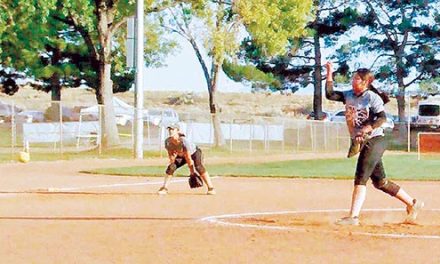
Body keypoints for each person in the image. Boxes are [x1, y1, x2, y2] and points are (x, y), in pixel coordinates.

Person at [325, 62, 423, 225]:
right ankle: (413, 204)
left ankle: (353, 217)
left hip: (377, 138)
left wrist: (366, 129)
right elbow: (330, 94)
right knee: (380, 182)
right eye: (353, 77)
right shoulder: (349, 95)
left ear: (365, 82)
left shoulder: (371, 97)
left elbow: (382, 117)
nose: (353, 80)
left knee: (361, 176)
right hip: (365, 140)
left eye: (356, 78)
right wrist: (329, 72)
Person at [157, 123, 216, 195]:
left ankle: (211, 188)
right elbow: (171, 154)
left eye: (173, 129)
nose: (170, 131)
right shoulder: (167, 142)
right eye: (169, 129)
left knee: (198, 167)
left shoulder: (184, 141)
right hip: (181, 155)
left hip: (194, 153)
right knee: (171, 167)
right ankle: (164, 188)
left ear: (177, 131)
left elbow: (188, 158)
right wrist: (172, 162)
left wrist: (192, 172)